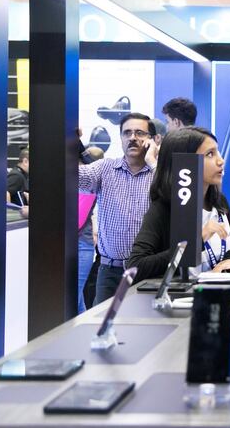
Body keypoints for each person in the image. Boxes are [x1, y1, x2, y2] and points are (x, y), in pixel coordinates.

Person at [127, 127, 230, 282]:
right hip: (179, 302)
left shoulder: (219, 202)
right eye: (210, 154)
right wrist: (195, 241)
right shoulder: (163, 209)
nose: (220, 160)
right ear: (186, 162)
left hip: (217, 297)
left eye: (217, 152)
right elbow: (136, 267)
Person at [78, 112, 158, 306]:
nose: (132, 138)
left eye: (140, 133)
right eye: (127, 133)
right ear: (121, 138)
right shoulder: (105, 169)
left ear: (152, 140)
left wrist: (154, 162)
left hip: (148, 271)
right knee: (103, 330)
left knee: (146, 330)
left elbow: (176, 199)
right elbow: (74, 176)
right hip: (110, 272)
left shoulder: (159, 172)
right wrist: (71, 144)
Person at [78, 146, 104, 313]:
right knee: (76, 297)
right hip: (80, 245)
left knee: (73, 296)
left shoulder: (89, 188)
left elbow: (77, 219)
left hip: (82, 245)